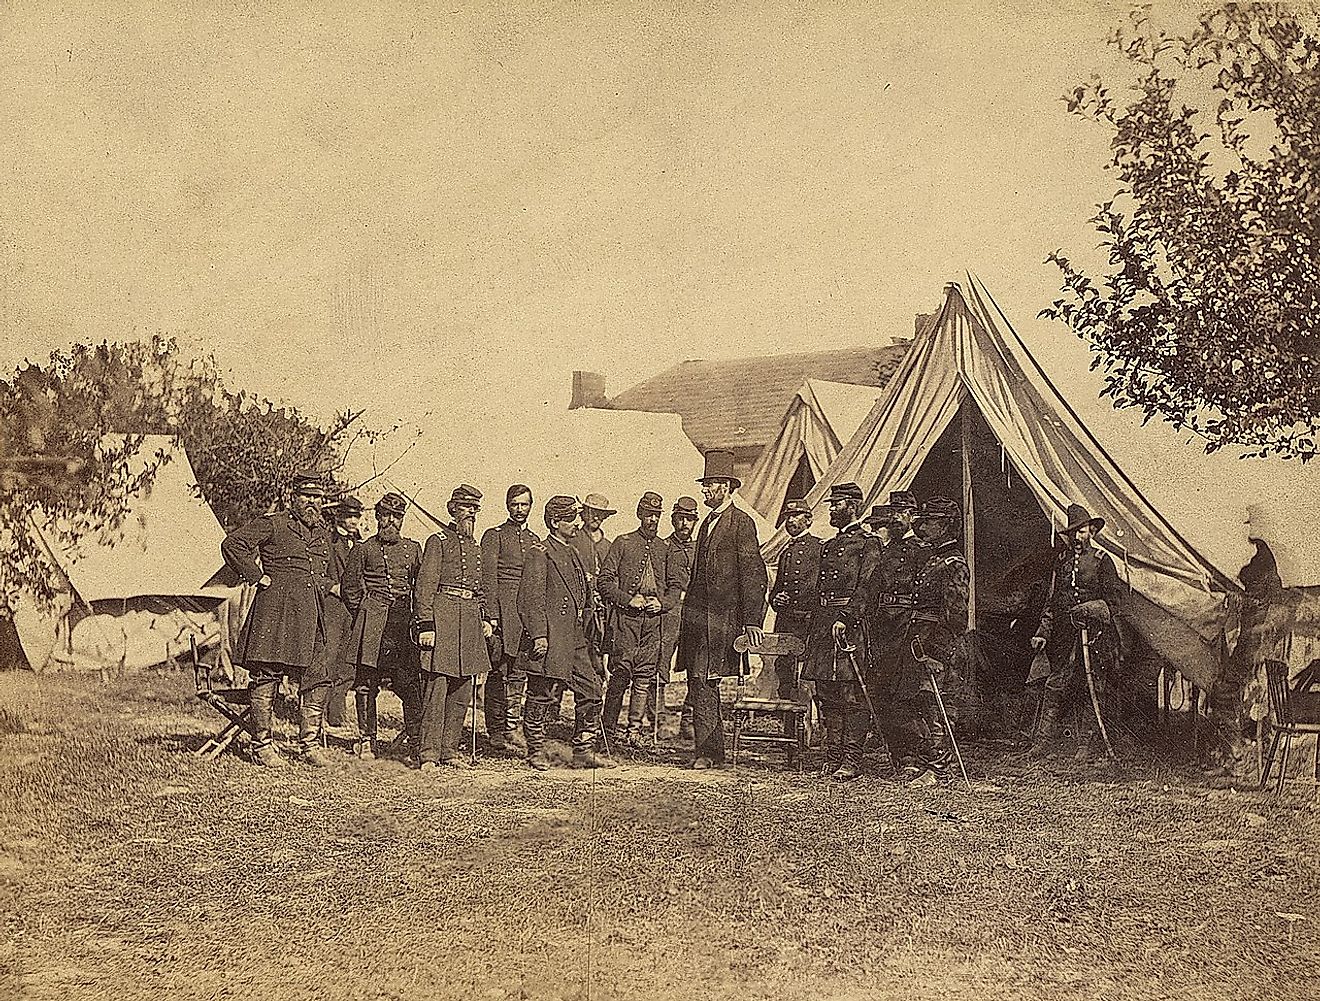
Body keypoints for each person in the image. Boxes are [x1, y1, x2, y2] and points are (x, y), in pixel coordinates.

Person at [220, 470, 335, 768]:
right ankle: (262, 745)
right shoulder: (274, 524)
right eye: (307, 497)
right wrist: (257, 576)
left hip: (311, 613)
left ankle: (308, 744)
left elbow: (321, 572)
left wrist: (323, 587)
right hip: (276, 611)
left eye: (317, 498)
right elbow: (233, 544)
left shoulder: (323, 532)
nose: (312, 503)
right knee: (267, 675)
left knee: (318, 675)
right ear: (293, 497)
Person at [675, 450, 768, 769]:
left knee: (705, 681)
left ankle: (709, 753)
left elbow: (754, 574)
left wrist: (753, 621)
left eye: (710, 485)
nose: (704, 491)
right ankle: (709, 750)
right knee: (698, 681)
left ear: (727, 487)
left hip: (723, 622)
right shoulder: (706, 524)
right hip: (699, 621)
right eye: (704, 485)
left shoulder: (741, 523)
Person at [517, 496, 616, 770]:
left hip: (574, 639)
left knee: (593, 689)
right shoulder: (540, 553)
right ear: (554, 522)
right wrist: (538, 635)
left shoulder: (572, 551)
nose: (576, 523)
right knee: (541, 694)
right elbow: (530, 599)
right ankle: (535, 751)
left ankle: (583, 750)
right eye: (571, 519)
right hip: (549, 639)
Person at [1029, 502, 1123, 760]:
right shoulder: (1062, 562)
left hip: (1094, 637)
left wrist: (1091, 608)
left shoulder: (1103, 562)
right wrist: (1042, 632)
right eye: (1073, 533)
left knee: (1091, 686)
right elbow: (1053, 601)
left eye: (1081, 532)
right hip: (1064, 638)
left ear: (1091, 531)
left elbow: (1114, 604)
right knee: (1055, 685)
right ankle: (1042, 742)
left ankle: (1085, 744)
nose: (1077, 538)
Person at [802, 483, 881, 782]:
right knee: (826, 693)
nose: (831, 509)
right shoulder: (829, 545)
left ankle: (851, 760)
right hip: (824, 624)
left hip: (851, 626)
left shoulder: (868, 544)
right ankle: (832, 757)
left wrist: (847, 617)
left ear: (853, 506)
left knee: (852, 695)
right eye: (832, 504)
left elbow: (867, 587)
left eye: (837, 504)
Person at [414, 484, 495, 770]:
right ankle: (428, 754)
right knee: (437, 689)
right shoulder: (437, 541)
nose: (472, 513)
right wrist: (426, 624)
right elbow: (425, 586)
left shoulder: (476, 547)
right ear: (452, 509)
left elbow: (481, 587)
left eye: (475, 509)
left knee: (462, 691)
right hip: (443, 617)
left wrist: (485, 618)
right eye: (467, 508)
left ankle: (449, 751)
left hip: (469, 619)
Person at [341, 492, 423, 761]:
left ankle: (415, 741)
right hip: (373, 624)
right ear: (377, 517)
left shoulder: (413, 549)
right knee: (366, 684)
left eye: (396, 516)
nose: (390, 521)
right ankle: (367, 740)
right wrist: (367, 613)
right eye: (385, 515)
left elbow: (420, 587)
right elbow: (350, 590)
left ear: (402, 519)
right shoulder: (363, 549)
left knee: (410, 684)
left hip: (402, 627)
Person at [598, 492, 684, 744]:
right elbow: (605, 581)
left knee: (645, 677)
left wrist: (663, 603)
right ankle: (608, 730)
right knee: (621, 674)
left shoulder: (665, 548)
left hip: (653, 622)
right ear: (639, 514)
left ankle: (634, 730)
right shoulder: (623, 543)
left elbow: (676, 587)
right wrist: (626, 599)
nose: (652, 520)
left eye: (657, 515)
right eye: (648, 514)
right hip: (626, 620)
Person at [897, 496, 970, 784]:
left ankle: (940, 769)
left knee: (940, 708)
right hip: (922, 642)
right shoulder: (933, 559)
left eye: (929, 522)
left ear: (945, 526)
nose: (922, 526)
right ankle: (931, 762)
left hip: (941, 646)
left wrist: (937, 653)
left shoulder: (954, 563)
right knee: (925, 705)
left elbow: (956, 617)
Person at [854, 502, 929, 778]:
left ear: (912, 516)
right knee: (881, 692)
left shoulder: (923, 552)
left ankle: (914, 757)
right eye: (893, 514)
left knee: (904, 694)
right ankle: (899, 755)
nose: (895, 519)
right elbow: (871, 590)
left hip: (907, 628)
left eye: (902, 514)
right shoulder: (884, 552)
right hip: (881, 628)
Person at [480, 484, 538, 754]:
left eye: (524, 504)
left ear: (530, 506)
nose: (519, 509)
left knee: (519, 672)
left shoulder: (535, 540)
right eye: (515, 504)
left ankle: (513, 728)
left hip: (525, 613)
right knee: (498, 671)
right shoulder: (495, 536)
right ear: (507, 505)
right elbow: (488, 579)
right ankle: (495, 730)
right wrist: (491, 616)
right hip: (502, 611)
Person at [769, 498, 821, 700]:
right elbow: (776, 589)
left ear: (809, 520)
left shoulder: (819, 548)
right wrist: (776, 599)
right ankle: (789, 727)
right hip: (785, 623)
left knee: (807, 677)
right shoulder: (786, 552)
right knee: (784, 672)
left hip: (807, 623)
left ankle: (810, 727)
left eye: (795, 516)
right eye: (787, 517)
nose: (790, 521)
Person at [321, 496, 363, 731]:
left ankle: (336, 714)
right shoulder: (327, 540)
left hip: (353, 608)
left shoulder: (360, 543)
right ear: (339, 516)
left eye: (357, 516)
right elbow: (315, 571)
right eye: (350, 516)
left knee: (348, 662)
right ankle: (318, 713)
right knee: (329, 657)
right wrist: (332, 586)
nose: (354, 521)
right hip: (333, 606)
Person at [657, 496, 698, 738]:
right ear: (673, 520)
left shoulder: (700, 549)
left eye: (690, 520)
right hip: (669, 611)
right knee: (660, 663)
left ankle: (689, 720)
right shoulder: (663, 547)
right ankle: (658, 719)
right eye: (680, 518)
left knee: (695, 666)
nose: (684, 524)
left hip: (693, 613)